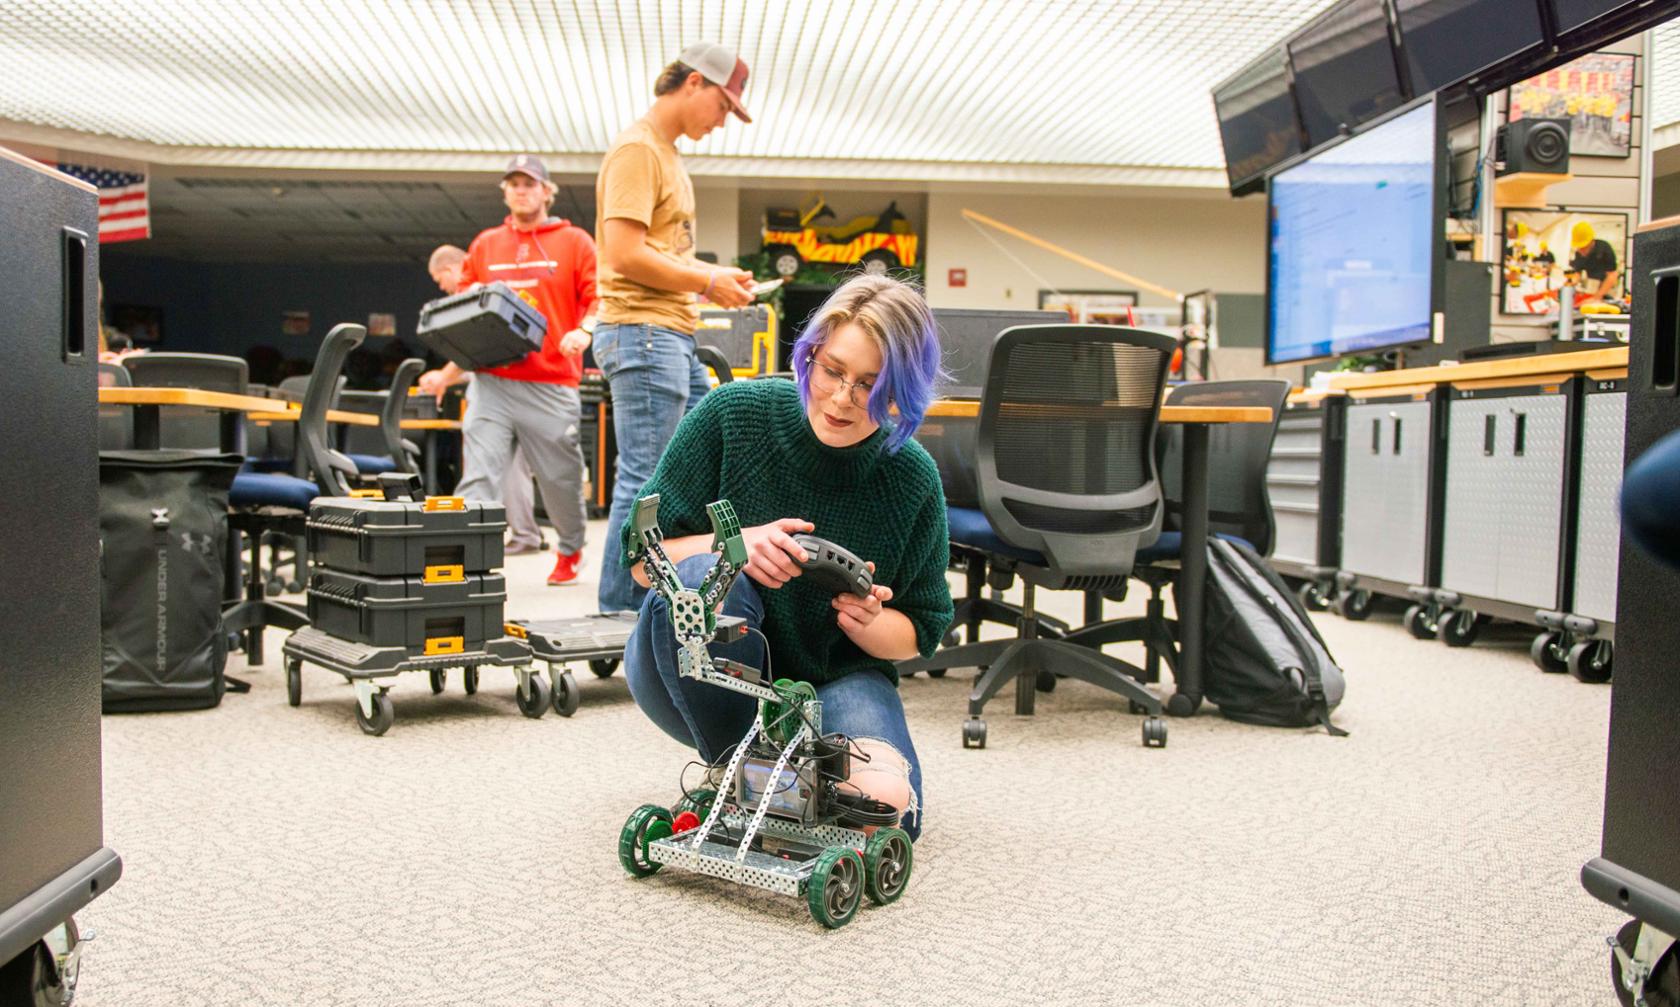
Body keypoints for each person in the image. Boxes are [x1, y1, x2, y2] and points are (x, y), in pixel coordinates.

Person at [620, 275, 952, 840]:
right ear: (811, 355)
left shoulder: (911, 477)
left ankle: (770, 786)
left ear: (901, 389)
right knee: (705, 576)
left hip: (835, 679)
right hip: (690, 671)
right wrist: (736, 546)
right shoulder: (731, 415)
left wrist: (871, 623)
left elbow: (921, 629)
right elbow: (638, 558)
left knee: (886, 808)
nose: (843, 398)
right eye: (833, 371)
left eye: (871, 384)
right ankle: (739, 765)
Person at [593, 41, 758, 612]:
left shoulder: (667, 155)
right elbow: (622, 253)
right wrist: (707, 282)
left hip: (668, 333)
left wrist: (712, 276)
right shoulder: (638, 151)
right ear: (694, 84)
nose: (722, 122)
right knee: (645, 478)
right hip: (642, 329)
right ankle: (618, 611)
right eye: (723, 107)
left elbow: (660, 251)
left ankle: (659, 599)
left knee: (688, 469)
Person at [417, 157, 595, 583]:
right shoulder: (485, 244)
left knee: (559, 479)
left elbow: (597, 298)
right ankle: (460, 560)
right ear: (504, 192)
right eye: (513, 183)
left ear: (547, 191)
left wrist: (583, 331)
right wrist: (448, 369)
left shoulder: (574, 242)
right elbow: (461, 313)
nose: (521, 190)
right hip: (491, 381)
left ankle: (570, 549)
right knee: (478, 473)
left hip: (550, 382)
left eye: (529, 184)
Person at [425, 243, 547, 556]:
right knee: (511, 468)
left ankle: (469, 538)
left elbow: (475, 352)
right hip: (519, 388)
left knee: (488, 468)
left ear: (451, 270)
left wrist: (442, 377)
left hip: (501, 392)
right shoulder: (491, 286)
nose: (443, 288)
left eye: (440, 281)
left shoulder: (475, 293)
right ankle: (524, 535)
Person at [1566, 220, 1621, 305]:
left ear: (1591, 241)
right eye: (1579, 247)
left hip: (1607, 288)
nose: (1581, 251)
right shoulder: (1579, 253)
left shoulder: (1604, 248)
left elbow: (1612, 275)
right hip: (1592, 286)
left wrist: (1597, 297)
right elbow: (1577, 273)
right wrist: (1571, 284)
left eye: (1584, 247)